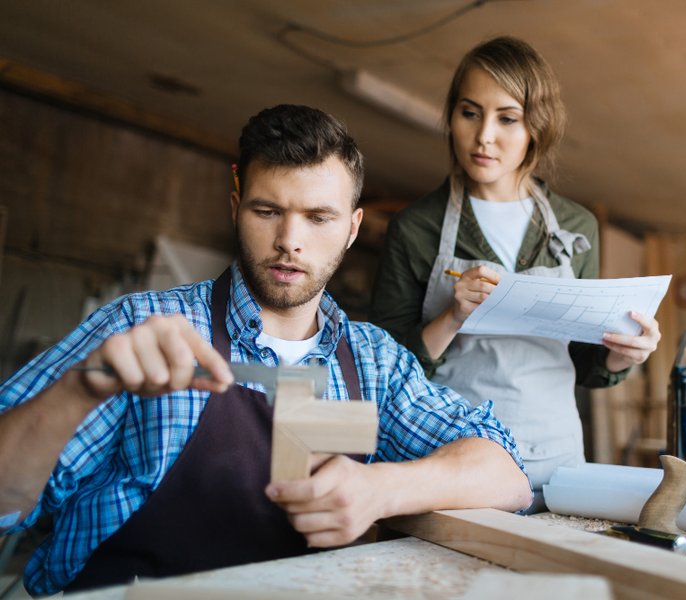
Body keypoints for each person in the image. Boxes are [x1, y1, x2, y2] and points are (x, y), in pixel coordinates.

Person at [0, 104, 532, 595]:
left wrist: (382, 487)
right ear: (236, 209)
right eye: (266, 210)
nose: (289, 241)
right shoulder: (139, 327)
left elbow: (506, 474)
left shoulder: (373, 362)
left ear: (351, 229)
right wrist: (73, 393)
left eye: (318, 218)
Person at [369, 37, 660, 501]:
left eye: (507, 118)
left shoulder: (575, 226)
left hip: (559, 460)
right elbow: (384, 365)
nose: (484, 135)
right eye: (469, 113)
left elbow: (586, 363)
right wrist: (452, 317)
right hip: (456, 454)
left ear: (536, 128)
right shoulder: (416, 227)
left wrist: (625, 354)